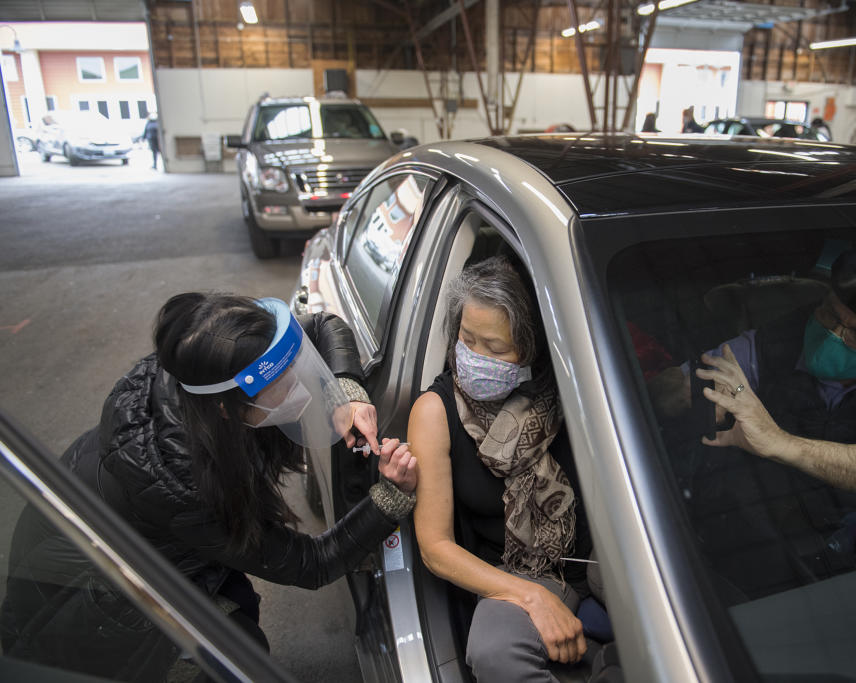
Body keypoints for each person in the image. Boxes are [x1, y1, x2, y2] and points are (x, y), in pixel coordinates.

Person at [0, 292, 417, 678]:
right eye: (283, 386)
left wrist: (346, 390)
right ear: (226, 408)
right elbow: (312, 563)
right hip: (101, 596)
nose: (300, 387)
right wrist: (389, 498)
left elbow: (323, 324)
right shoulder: (186, 487)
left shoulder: (207, 358)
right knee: (233, 654)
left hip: (147, 538)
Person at [650, 249, 856, 595]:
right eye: (828, 315)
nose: (833, 336)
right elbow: (669, 389)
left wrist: (779, 441)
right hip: (773, 518)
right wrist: (688, 393)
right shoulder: (772, 341)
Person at [409, 256, 593, 683]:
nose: (475, 358)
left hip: (598, 558)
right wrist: (529, 596)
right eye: (466, 339)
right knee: (495, 653)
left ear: (532, 348)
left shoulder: (570, 386)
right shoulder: (436, 412)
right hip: (517, 572)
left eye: (495, 348)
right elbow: (435, 547)